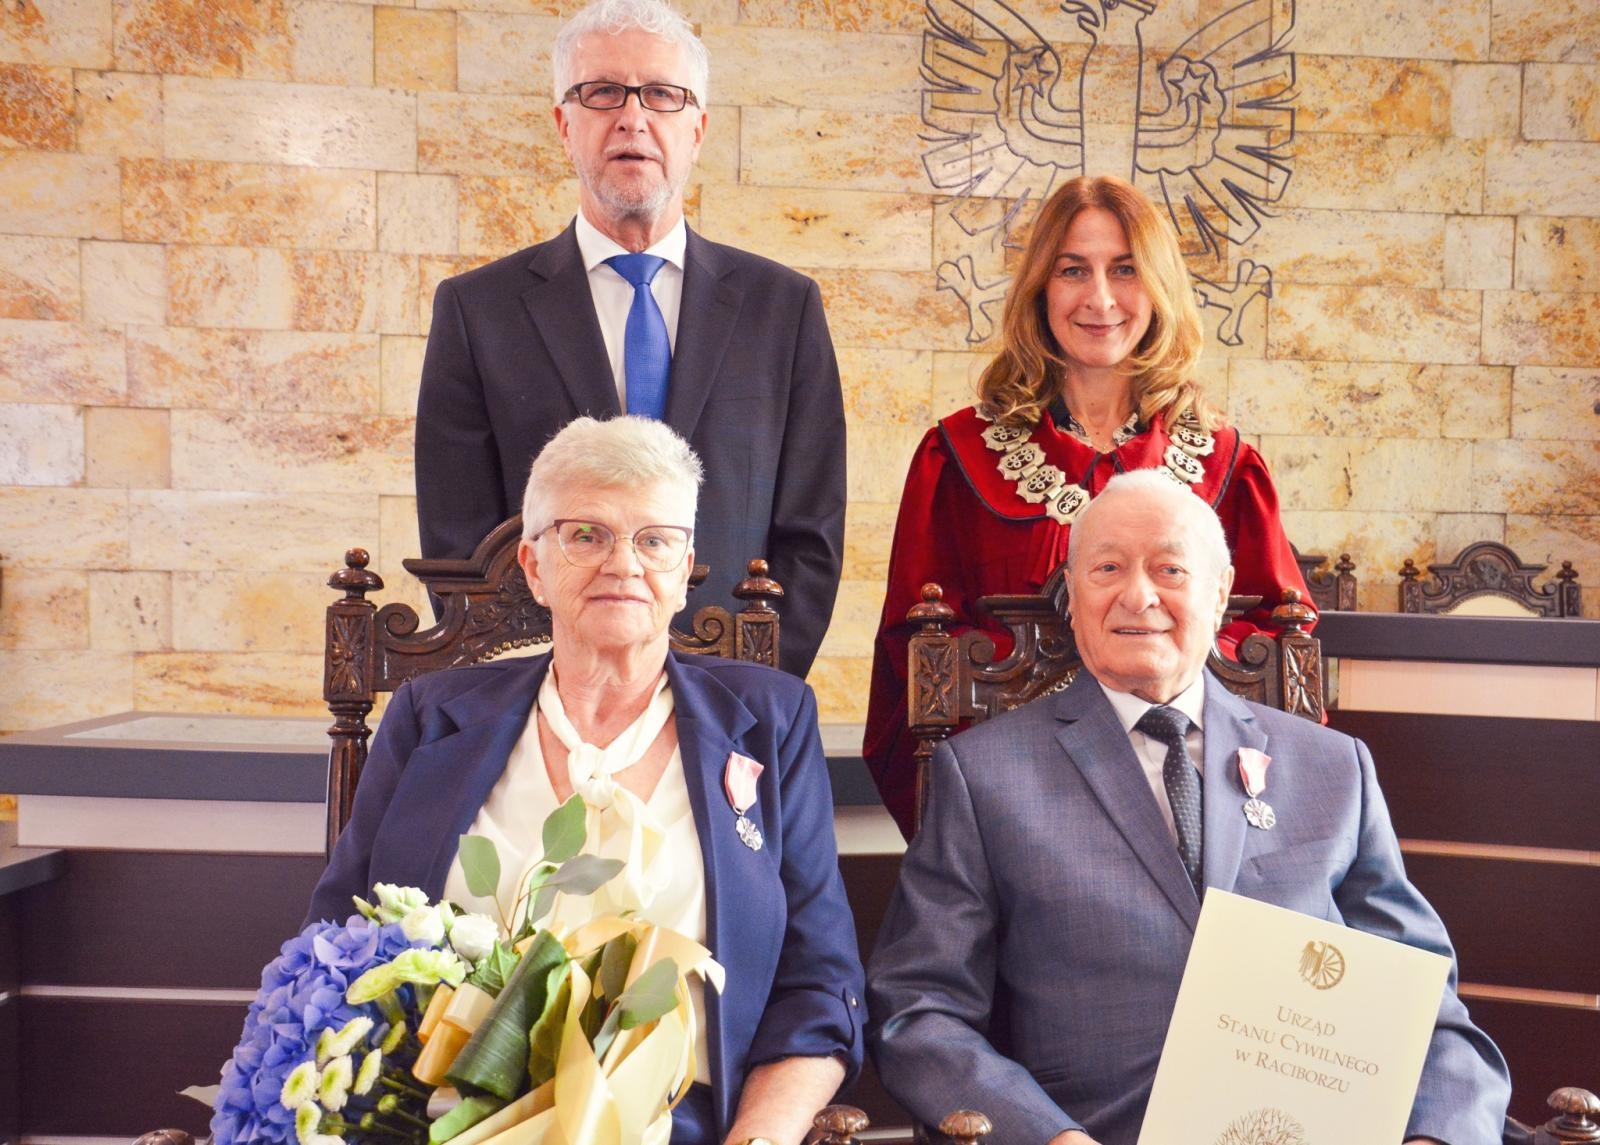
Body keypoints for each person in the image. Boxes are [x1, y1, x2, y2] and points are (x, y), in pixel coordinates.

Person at [866, 470, 1511, 1145]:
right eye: (1107, 567)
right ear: (1072, 593)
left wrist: (1436, 1136)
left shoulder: (1332, 767)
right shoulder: (985, 775)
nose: (1137, 595)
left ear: (1221, 593)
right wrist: (1049, 1138)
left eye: (1170, 568)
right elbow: (918, 1009)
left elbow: (1429, 1009)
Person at [310, 417, 865, 1145]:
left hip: (685, 1126)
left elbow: (819, 984)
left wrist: (759, 1137)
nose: (624, 564)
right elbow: (337, 941)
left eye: (654, 539)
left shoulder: (770, 720)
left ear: (685, 567)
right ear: (535, 566)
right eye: (587, 535)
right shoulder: (430, 716)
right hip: (443, 1126)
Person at [865, 174, 1311, 838]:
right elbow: (914, 658)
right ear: (1042, 289)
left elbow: (1282, 646)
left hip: (1186, 801)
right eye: (1074, 269)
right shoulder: (954, 457)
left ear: (1157, 289)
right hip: (1019, 806)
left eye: (1125, 269)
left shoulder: (1228, 465)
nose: (1100, 298)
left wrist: (1155, 668)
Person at [414, 0, 846, 680]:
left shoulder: (783, 310)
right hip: (542, 709)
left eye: (663, 94)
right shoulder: (477, 312)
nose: (633, 117)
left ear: (698, 128)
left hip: (730, 703)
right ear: (564, 123)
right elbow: (459, 546)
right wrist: (546, 694)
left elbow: (811, 536)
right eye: (603, 91)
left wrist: (754, 687)